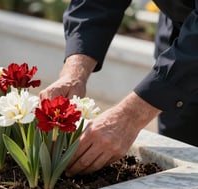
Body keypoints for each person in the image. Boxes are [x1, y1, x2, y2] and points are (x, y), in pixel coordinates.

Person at [39, 0, 198, 176]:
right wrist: (74, 73)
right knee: (185, 163)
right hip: (178, 35)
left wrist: (130, 117)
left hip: (188, 54)